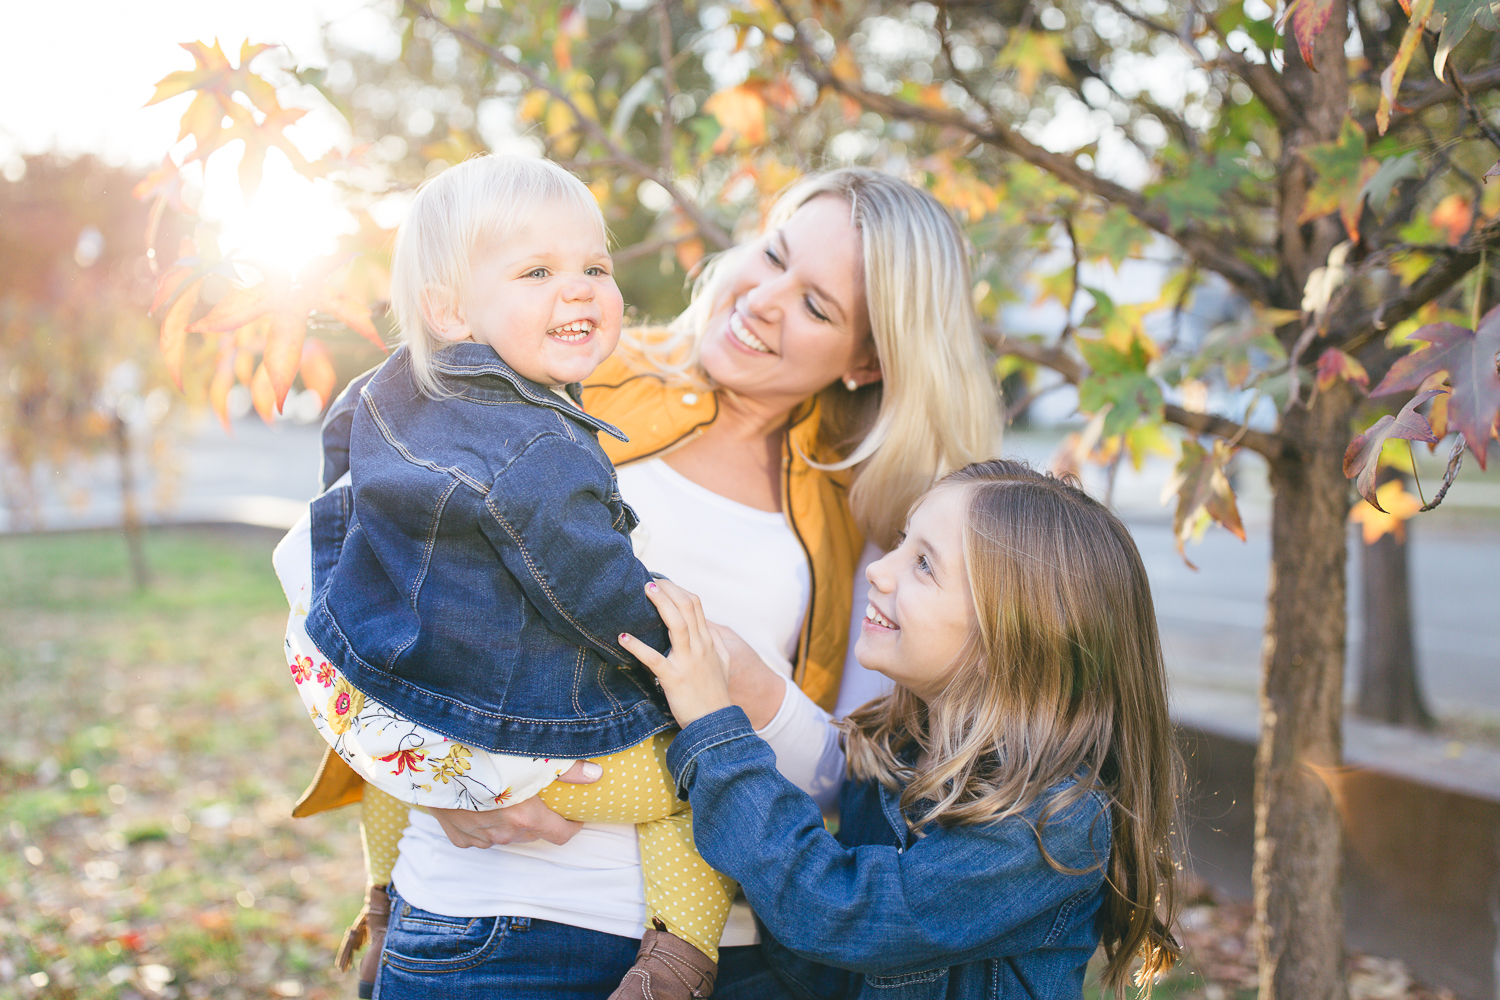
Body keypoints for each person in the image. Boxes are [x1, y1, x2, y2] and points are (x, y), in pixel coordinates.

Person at [281, 166, 1004, 997]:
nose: (765, 299)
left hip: (718, 944)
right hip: (487, 907)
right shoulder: (555, 371)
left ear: (867, 361)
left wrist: (752, 695)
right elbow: (355, 580)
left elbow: (859, 776)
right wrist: (429, 772)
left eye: (816, 306)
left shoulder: (871, 520)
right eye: (772, 256)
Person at [280, 152, 744, 1000]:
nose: (579, 290)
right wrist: (672, 647)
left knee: (393, 738)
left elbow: (340, 470)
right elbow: (591, 586)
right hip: (506, 738)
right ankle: (678, 964)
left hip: (378, 696)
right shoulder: (539, 442)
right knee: (694, 776)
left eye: (594, 267)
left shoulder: (380, 389)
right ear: (450, 308)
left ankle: (382, 905)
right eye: (537, 271)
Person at [625, 460, 1183, 1000]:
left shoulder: (1050, 823)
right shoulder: (903, 749)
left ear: (1013, 635)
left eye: (924, 565)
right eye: (901, 542)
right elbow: (819, 976)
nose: (879, 569)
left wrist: (714, 730)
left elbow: (838, 913)